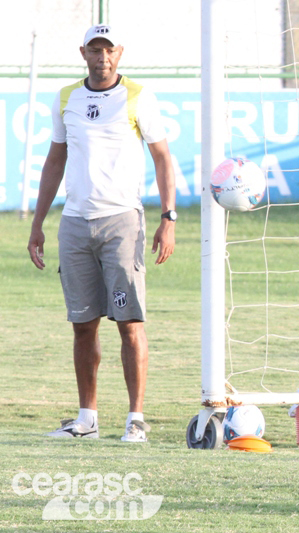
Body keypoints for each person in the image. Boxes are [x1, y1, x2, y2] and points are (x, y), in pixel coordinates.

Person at [26, 24, 177, 443]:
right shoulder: (65, 98)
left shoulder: (138, 96)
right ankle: (87, 419)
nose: (102, 58)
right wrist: (38, 224)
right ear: (84, 53)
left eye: (109, 51)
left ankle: (135, 420)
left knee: (129, 323)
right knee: (82, 324)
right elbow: (55, 161)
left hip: (122, 223)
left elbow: (163, 158)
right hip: (74, 224)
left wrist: (169, 218)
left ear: (120, 53)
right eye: (95, 50)